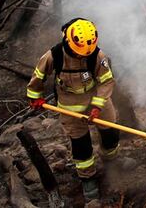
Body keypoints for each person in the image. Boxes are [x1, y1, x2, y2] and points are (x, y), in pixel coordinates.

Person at [26, 18, 119, 200]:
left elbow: (106, 81)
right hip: (70, 106)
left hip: (97, 101)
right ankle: (88, 178)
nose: (81, 56)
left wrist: (98, 105)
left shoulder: (97, 56)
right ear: (69, 42)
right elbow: (38, 76)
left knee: (111, 133)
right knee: (81, 144)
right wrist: (35, 97)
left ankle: (112, 161)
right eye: (78, 53)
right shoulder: (54, 56)